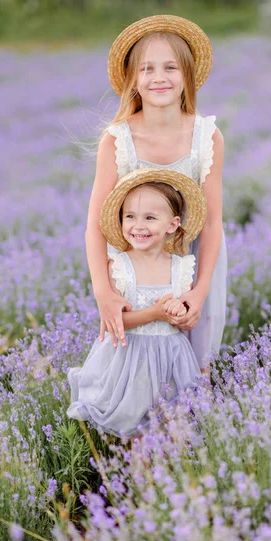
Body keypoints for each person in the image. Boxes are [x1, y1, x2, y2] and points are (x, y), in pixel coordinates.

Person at [86, 15, 227, 375]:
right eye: (147, 68)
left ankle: (186, 426)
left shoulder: (206, 137)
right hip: (135, 264)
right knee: (132, 357)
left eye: (170, 67)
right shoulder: (118, 140)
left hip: (192, 261)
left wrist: (199, 290)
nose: (159, 77)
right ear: (133, 79)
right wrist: (103, 291)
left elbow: (211, 222)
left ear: (188, 76)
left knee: (195, 363)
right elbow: (95, 226)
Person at [67, 168, 205, 438]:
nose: (138, 226)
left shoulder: (182, 267)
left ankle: (168, 476)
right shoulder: (119, 266)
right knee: (138, 432)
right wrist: (154, 313)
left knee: (172, 430)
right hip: (130, 361)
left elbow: (183, 316)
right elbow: (116, 321)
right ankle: (135, 475)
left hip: (171, 359)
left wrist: (178, 312)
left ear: (173, 224)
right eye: (130, 216)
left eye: (150, 218)